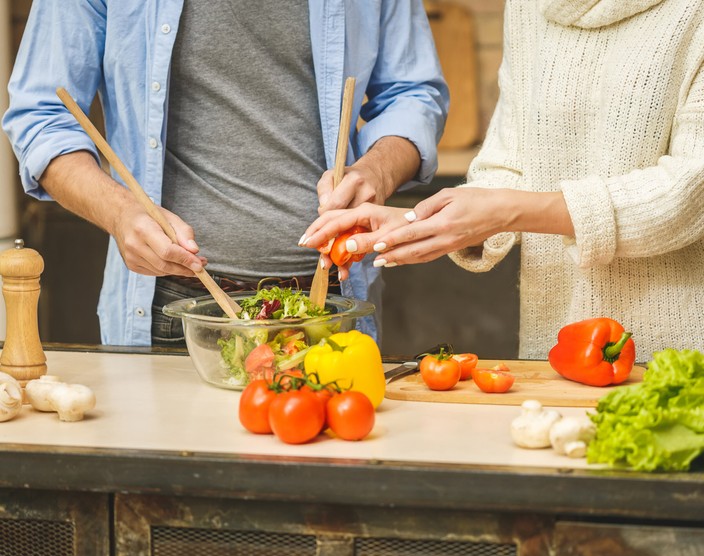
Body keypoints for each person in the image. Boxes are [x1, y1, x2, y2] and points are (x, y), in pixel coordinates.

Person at [2, 0, 448, 346]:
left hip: (332, 305)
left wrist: (376, 171)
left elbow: (412, 92)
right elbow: (41, 116)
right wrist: (120, 213)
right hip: (171, 311)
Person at [302, 0, 704, 363]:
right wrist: (426, 222)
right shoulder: (532, 7)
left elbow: (688, 193)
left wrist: (507, 211)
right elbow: (508, 158)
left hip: (679, 350)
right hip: (556, 346)